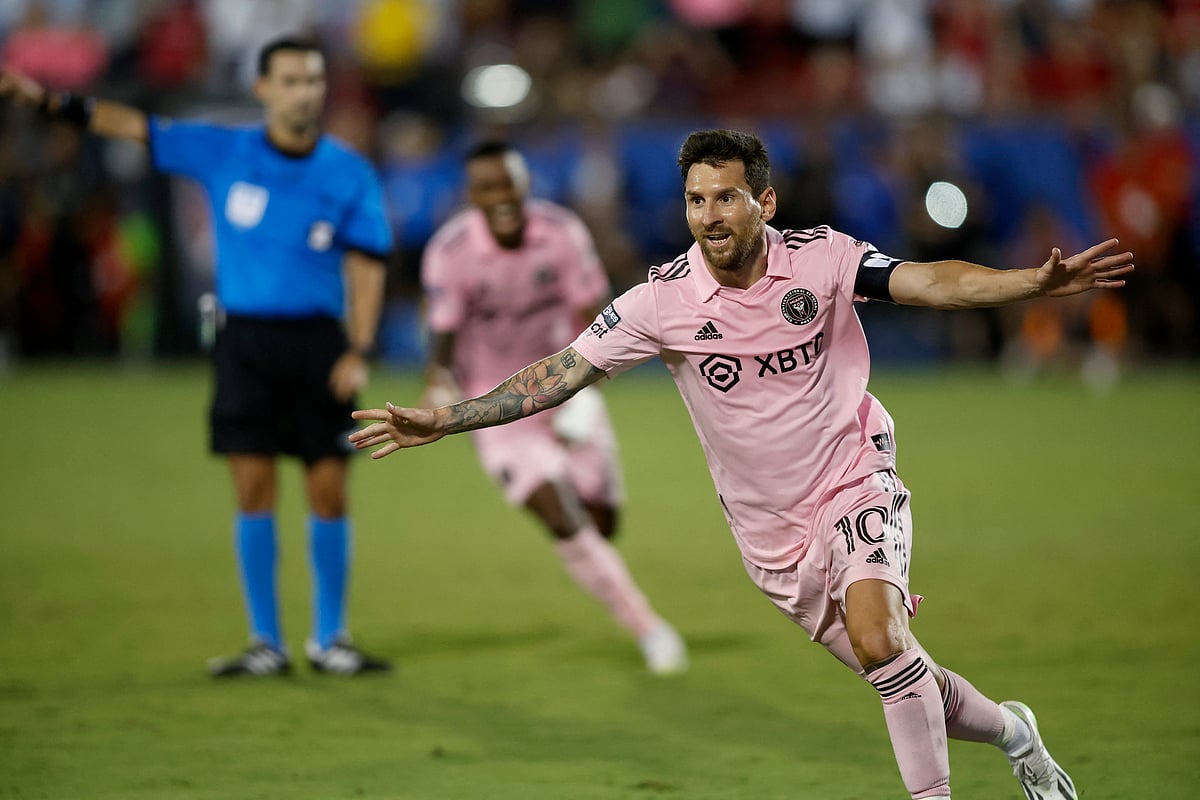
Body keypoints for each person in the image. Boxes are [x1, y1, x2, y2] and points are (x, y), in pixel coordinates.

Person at [352, 129, 1134, 798]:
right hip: (768, 531)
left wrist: (1031, 283)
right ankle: (1015, 733)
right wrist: (447, 420)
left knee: (878, 636)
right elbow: (556, 373)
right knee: (899, 671)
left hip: (852, 471)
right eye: (696, 200)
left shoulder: (824, 259)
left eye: (725, 198)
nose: (709, 216)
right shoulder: (661, 304)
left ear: (763, 202)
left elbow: (932, 283)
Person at [0, 36, 394, 677]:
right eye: (291, 80)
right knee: (252, 486)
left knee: (328, 489)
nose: (306, 92)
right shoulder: (223, 149)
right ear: (263, 90)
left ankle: (331, 638)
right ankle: (266, 642)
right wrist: (42, 99)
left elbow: (368, 265)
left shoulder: (348, 170)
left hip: (321, 343)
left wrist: (362, 347)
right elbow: (128, 124)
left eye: (315, 81)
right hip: (241, 339)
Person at [418, 140, 687, 675]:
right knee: (560, 515)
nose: (501, 197)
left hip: (565, 386)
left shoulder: (561, 235)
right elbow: (442, 339)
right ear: (470, 195)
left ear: (526, 185)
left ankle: (611, 577)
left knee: (602, 523)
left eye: (509, 184)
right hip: (499, 406)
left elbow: (596, 322)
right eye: (487, 187)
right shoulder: (450, 253)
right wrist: (442, 387)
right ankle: (648, 628)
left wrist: (587, 395)